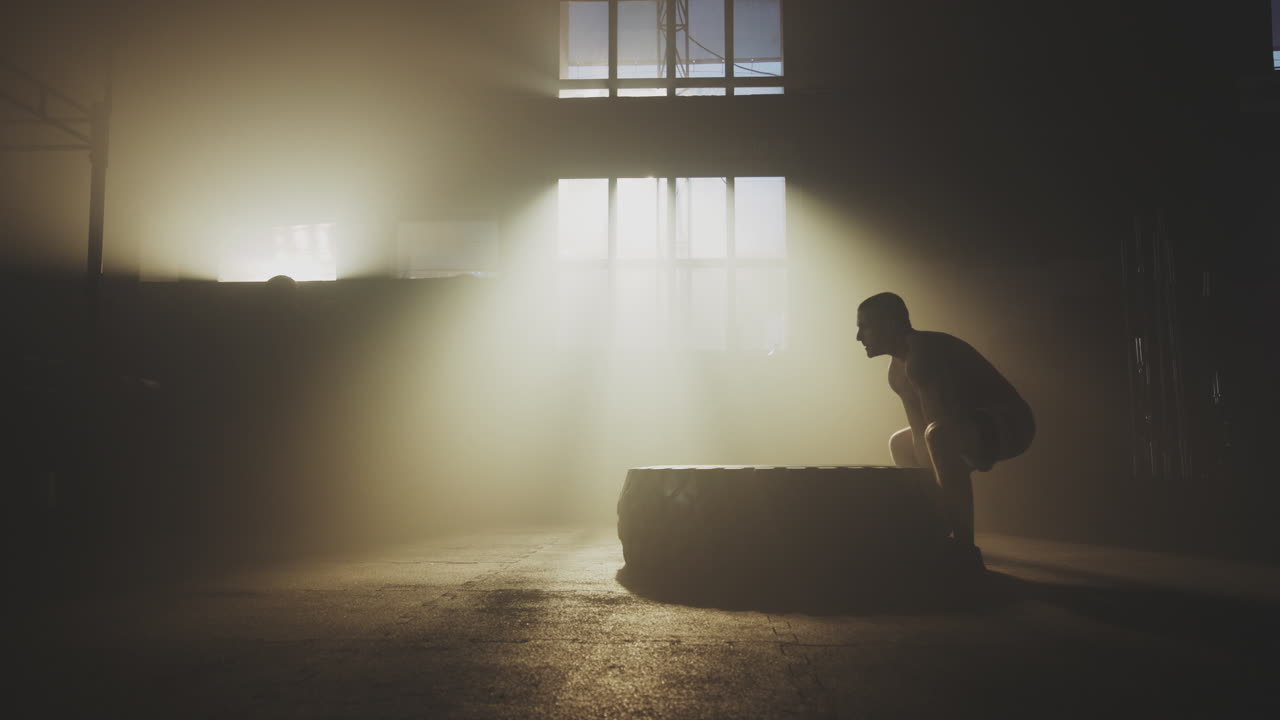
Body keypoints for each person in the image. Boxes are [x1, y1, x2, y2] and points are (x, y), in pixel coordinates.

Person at [856, 292, 1034, 569]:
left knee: (938, 436)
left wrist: (959, 473)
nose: (858, 337)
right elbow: (919, 437)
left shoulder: (923, 355)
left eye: (864, 326)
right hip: (969, 425)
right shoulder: (896, 372)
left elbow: (939, 431)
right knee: (900, 443)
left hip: (1013, 424)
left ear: (890, 325)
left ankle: (965, 549)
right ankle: (932, 531)